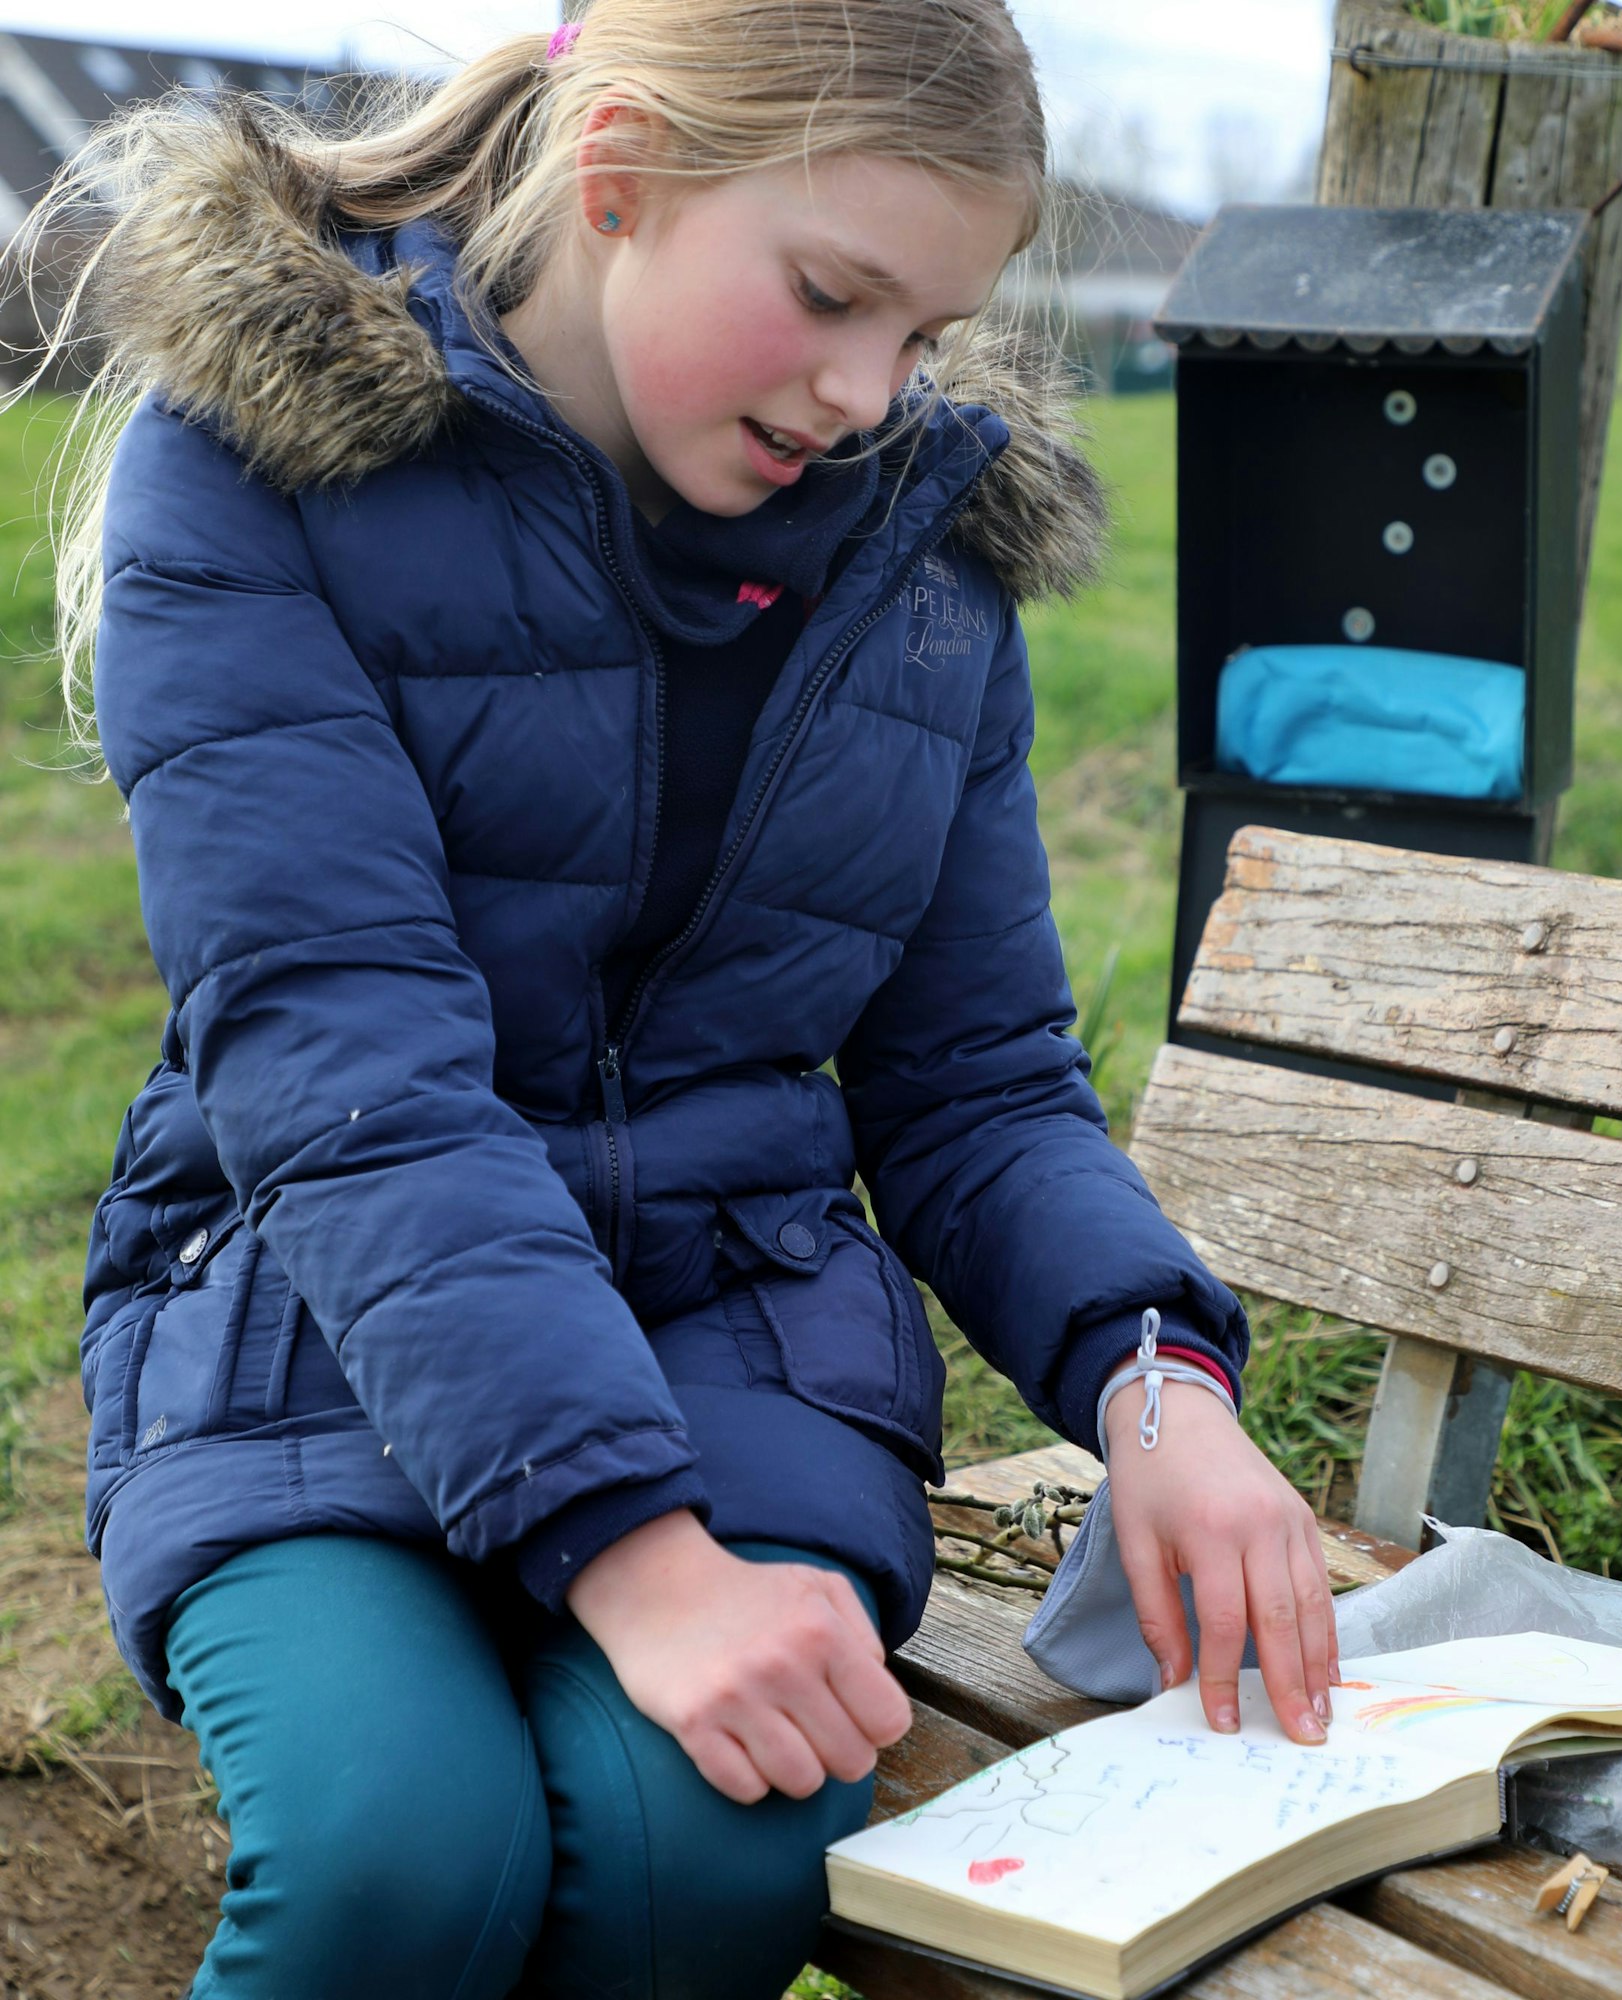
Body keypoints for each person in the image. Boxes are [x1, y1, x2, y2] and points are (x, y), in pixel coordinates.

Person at [26, 4, 1336, 1993]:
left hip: (738, 1331)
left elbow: (976, 1082)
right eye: (827, 295)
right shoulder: (254, 474)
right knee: (400, 1850)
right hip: (316, 1319)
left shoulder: (926, 560)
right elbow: (344, 1063)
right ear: (621, 171)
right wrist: (639, 1558)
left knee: (701, 1857)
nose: (869, 394)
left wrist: (1156, 1382)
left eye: (924, 333)